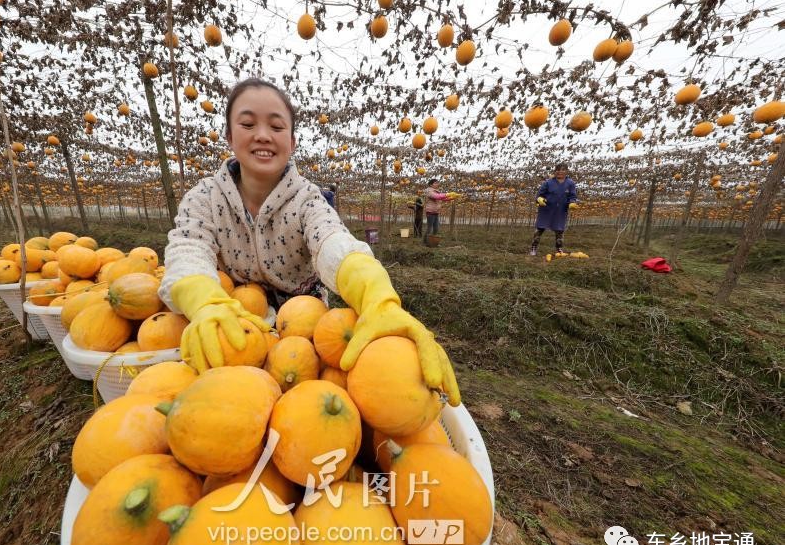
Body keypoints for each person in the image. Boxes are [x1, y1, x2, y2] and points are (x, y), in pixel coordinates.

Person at [158, 78, 459, 406]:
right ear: (229, 136)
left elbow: (332, 241)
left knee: (307, 399)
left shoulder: (307, 199)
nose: (262, 134)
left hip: (304, 320)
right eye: (247, 123)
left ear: (292, 141)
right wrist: (204, 301)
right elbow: (189, 247)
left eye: (276, 126)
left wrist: (375, 295)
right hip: (233, 316)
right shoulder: (203, 198)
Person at [530, 163, 578, 255]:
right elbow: (539, 194)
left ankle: (559, 249)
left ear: (566, 171)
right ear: (555, 172)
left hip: (560, 210)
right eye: (558, 170)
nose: (560, 172)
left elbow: (573, 195)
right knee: (539, 229)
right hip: (546, 209)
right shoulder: (548, 182)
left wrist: (572, 202)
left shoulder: (570, 183)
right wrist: (539, 199)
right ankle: (534, 247)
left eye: (563, 170)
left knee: (559, 230)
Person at [423, 179, 458, 244]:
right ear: (431, 184)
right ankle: (425, 241)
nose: (437, 184)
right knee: (429, 228)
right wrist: (448, 194)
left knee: (436, 228)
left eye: (438, 183)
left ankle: (431, 241)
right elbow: (437, 197)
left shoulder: (437, 191)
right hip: (430, 212)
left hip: (436, 212)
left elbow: (443, 198)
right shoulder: (429, 191)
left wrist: (453, 197)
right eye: (436, 183)